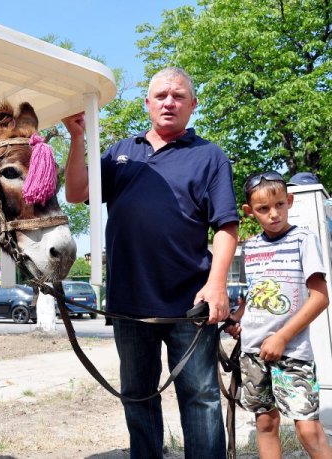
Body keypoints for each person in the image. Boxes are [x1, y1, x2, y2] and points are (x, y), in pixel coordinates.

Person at [62, 67, 239, 458]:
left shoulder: (209, 157)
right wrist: (77, 137)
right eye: (161, 95)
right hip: (130, 304)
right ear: (147, 103)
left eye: (178, 96)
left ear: (193, 104)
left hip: (190, 306)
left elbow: (227, 226)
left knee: (201, 398)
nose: (169, 102)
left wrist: (217, 284)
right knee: (138, 397)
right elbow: (76, 192)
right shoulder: (121, 152)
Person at [226, 171, 332, 459]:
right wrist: (239, 318)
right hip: (253, 352)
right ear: (249, 212)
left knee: (309, 430)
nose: (273, 214)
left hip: (292, 351)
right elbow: (256, 294)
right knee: (265, 422)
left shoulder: (303, 239)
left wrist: (283, 337)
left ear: (290, 201)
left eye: (280, 205)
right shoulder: (251, 246)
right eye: (263, 209)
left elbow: (320, 297)